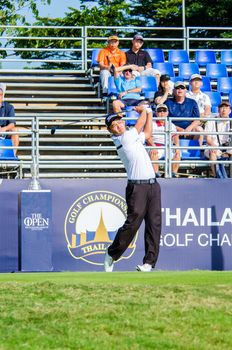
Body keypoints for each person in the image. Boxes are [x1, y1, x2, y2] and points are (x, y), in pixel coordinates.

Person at [104, 109, 161, 272]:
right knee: (132, 224)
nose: (118, 127)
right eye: (114, 126)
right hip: (137, 187)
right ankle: (111, 253)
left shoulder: (133, 137)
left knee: (154, 225)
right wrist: (145, 109)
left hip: (153, 185)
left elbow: (148, 132)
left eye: (119, 123)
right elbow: (141, 122)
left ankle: (149, 263)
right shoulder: (124, 138)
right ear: (111, 131)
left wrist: (149, 113)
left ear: (124, 123)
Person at [147, 104, 180, 177]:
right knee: (153, 152)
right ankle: (156, 174)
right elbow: (148, 136)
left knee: (177, 154)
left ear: (167, 113)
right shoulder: (151, 123)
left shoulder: (171, 124)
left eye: (164, 111)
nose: (162, 113)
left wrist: (177, 146)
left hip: (168, 147)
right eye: (159, 111)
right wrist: (153, 146)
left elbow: (175, 136)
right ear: (156, 113)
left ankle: (173, 174)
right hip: (155, 145)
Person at [165, 81, 203, 145]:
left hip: (189, 130)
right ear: (174, 91)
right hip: (173, 129)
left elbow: (197, 120)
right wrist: (179, 129)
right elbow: (165, 121)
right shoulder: (168, 103)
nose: (180, 89)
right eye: (177, 88)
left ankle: (195, 151)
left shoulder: (192, 102)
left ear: (185, 90)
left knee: (199, 129)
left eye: (182, 88)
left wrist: (189, 128)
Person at [204, 101, 232, 177]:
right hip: (213, 146)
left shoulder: (231, 122)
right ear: (218, 110)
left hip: (228, 148)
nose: (224, 110)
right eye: (222, 107)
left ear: (230, 111)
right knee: (212, 153)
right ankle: (217, 177)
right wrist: (214, 146)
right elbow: (208, 138)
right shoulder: (211, 121)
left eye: (226, 108)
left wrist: (229, 151)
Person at [0, 83, 19, 156]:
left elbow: (12, 123)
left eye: (0, 95)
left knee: (15, 130)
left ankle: (12, 157)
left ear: (2, 96)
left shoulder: (9, 107)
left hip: (4, 132)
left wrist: (4, 129)